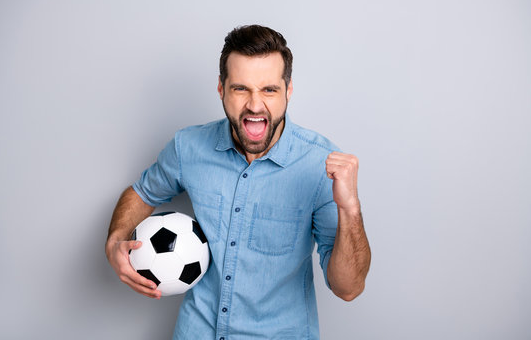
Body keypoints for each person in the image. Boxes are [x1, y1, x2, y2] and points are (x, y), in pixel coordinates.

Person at [105, 24, 371, 340]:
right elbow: (143, 192)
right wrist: (115, 240)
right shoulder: (188, 147)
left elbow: (348, 288)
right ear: (221, 89)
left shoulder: (321, 165)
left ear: (288, 90)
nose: (255, 105)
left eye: (269, 90)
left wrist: (350, 209)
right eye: (241, 88)